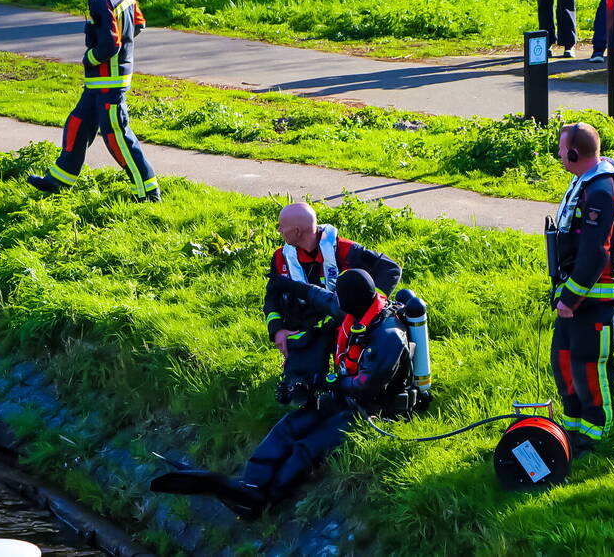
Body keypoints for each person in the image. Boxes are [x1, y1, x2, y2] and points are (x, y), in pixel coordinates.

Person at [150, 269, 423, 518]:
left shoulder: (388, 335)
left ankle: (264, 501)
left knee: (307, 447)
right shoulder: (356, 310)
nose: (336, 301)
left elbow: (366, 384)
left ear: (352, 300)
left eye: (341, 297)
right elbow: (321, 298)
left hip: (375, 409)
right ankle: (250, 485)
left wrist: (324, 382)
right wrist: (287, 285)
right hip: (345, 397)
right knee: (288, 427)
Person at [28, 0, 160, 202]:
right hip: (99, 83)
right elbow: (140, 23)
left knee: (116, 137)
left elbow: (110, 46)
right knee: (77, 124)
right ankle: (58, 181)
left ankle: (148, 192)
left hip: (109, 82)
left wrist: (89, 57)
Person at [263, 202, 402, 405]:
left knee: (353, 392)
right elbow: (272, 296)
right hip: (306, 330)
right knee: (299, 397)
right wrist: (276, 330)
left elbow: (391, 269)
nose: (279, 230)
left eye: (281, 226)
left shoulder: (345, 250)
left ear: (296, 230)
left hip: (346, 328)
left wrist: (370, 308)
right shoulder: (281, 258)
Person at [548, 122, 614, 456]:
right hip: (572, 295)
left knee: (588, 365)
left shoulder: (600, 190)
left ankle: (596, 436)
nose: (558, 153)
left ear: (573, 152)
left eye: (560, 148)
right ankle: (572, 427)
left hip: (593, 298)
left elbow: (597, 252)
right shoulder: (583, 183)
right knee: (564, 360)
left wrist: (570, 298)